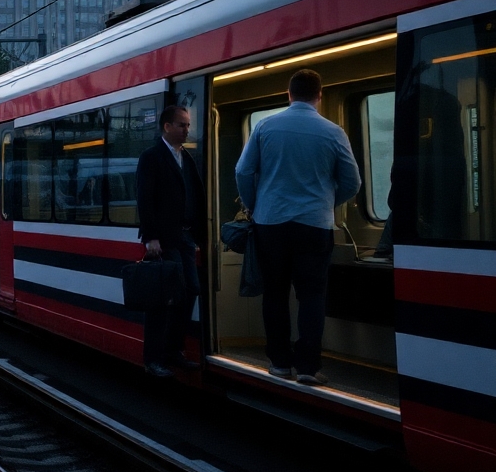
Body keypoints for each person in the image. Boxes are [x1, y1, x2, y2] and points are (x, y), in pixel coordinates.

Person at [235, 69, 361, 386]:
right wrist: (326, 202)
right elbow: (353, 183)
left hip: (271, 224)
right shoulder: (334, 133)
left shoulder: (265, 126)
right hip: (315, 226)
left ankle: (279, 362)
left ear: (288, 95)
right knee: (312, 296)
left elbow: (242, 171)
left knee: (275, 294)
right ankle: (307, 366)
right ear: (319, 96)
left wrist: (254, 206)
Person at [135, 105, 205, 378]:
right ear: (166, 127)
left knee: (190, 291)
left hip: (185, 237)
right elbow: (145, 198)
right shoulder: (152, 157)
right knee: (164, 298)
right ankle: (154, 358)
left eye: (187, 125)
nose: (186, 129)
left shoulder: (185, 157)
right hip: (164, 239)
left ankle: (173, 350)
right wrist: (151, 237)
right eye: (181, 125)